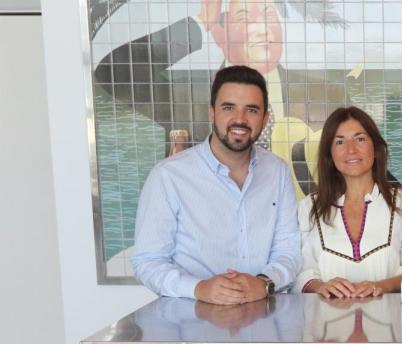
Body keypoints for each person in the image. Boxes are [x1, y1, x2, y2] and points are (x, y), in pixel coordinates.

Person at [94, 0, 347, 198]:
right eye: (245, 17)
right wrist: (199, 22)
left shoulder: (328, 96)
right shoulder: (187, 98)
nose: (262, 27)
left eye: (269, 14)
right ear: (219, 34)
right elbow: (114, 72)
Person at [132, 65, 301, 305]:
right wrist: (199, 288)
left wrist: (264, 282)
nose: (240, 119)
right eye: (228, 107)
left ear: (265, 118)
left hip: (265, 320)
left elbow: (289, 251)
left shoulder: (278, 171)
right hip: (190, 323)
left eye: (251, 110)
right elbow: (147, 261)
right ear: (212, 112)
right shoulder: (168, 176)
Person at [296, 106, 402, 298]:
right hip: (327, 324)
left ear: (375, 148)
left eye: (360, 139)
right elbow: (301, 271)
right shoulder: (309, 206)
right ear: (330, 154)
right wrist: (319, 286)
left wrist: (382, 286)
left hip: (388, 323)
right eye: (339, 141)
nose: (351, 150)